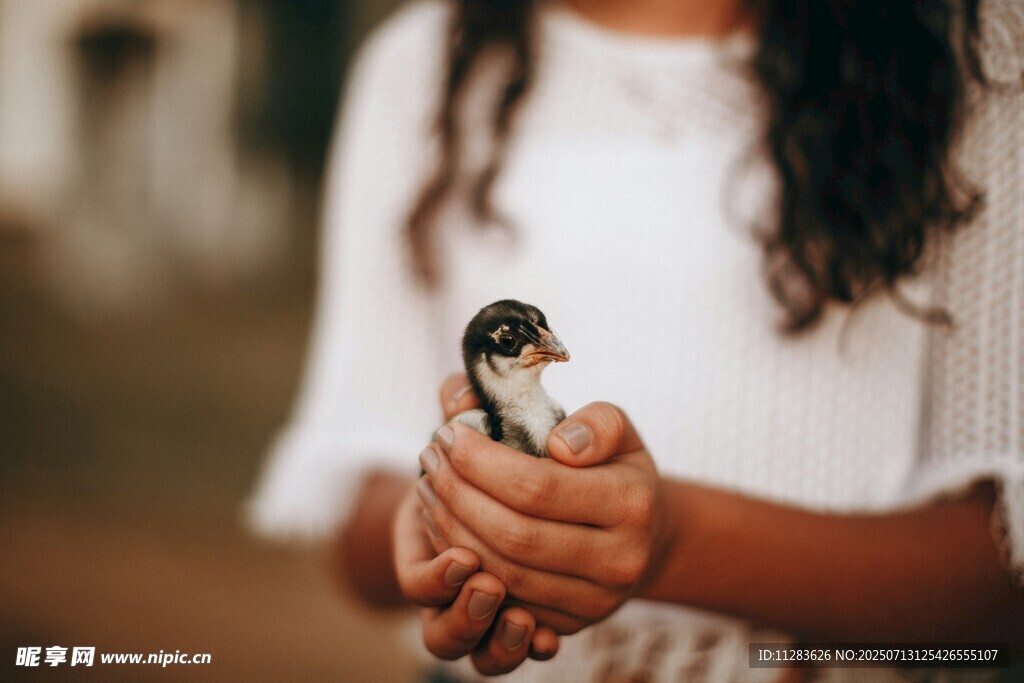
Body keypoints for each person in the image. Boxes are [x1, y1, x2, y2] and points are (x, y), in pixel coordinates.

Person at [248, 0, 1024, 680]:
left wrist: (672, 541)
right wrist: (449, 512)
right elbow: (363, 514)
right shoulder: (422, 62)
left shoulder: (981, 54)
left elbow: (1002, 590)